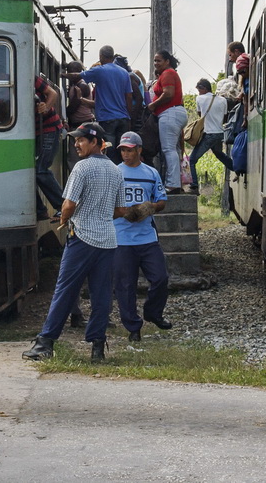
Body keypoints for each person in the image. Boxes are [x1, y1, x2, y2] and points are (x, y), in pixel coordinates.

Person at [23, 122, 128, 365]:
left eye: (81, 140)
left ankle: (45, 344)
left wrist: (66, 217)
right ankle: (97, 348)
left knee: (65, 290)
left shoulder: (81, 168)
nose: (76, 144)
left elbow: (68, 205)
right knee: (101, 295)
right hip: (108, 240)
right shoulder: (116, 171)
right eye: (75, 140)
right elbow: (121, 210)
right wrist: (99, 213)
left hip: (82, 238)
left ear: (94, 142)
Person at [113, 131, 171, 342]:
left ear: (139, 150)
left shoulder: (151, 173)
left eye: (129, 150)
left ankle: (153, 312)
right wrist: (123, 212)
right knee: (125, 285)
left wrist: (151, 207)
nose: (125, 154)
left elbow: (162, 201)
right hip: (121, 238)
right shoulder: (114, 173)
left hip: (147, 237)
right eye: (122, 150)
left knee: (160, 278)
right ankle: (133, 327)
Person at [72, 45, 133, 156]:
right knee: (123, 150)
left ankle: (110, 172)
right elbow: (129, 97)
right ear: (113, 56)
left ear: (100, 56)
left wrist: (63, 74)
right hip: (123, 118)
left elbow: (77, 76)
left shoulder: (99, 71)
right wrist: (129, 117)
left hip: (107, 119)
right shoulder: (124, 73)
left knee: (109, 150)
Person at [149, 50, 188, 193]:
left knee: (168, 149)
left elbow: (168, 93)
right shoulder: (168, 74)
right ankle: (176, 182)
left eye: (159, 60)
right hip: (174, 113)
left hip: (169, 113)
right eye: (154, 61)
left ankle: (172, 184)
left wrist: (153, 105)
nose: (156, 63)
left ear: (167, 61)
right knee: (174, 149)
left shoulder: (168, 74)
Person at [188, 78, 233, 194]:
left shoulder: (200, 99)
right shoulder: (223, 100)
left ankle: (194, 185)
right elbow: (224, 117)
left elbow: (200, 115)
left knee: (192, 160)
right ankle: (237, 168)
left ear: (204, 88)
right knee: (219, 154)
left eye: (199, 90)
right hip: (219, 133)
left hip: (208, 134)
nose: (198, 93)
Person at [34, 74, 64, 219]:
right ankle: (40, 211)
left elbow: (52, 93)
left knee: (40, 169)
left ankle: (63, 206)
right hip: (34, 132)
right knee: (27, 172)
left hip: (49, 128)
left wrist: (45, 107)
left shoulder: (28, 76)